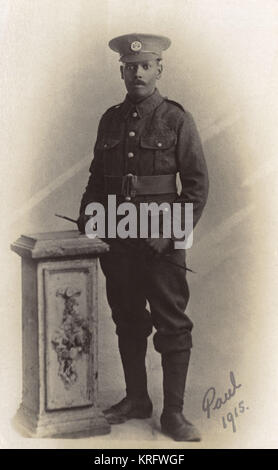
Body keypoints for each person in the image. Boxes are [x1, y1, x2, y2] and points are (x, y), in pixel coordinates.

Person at [77, 33, 209, 441]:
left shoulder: (176, 119)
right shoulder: (110, 119)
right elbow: (98, 179)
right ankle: (137, 398)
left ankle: (173, 414)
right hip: (117, 239)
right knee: (128, 319)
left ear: (158, 70)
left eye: (145, 66)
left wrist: (169, 233)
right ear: (122, 70)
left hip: (160, 242)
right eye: (130, 67)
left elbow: (196, 185)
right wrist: (88, 217)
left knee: (171, 323)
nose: (137, 72)